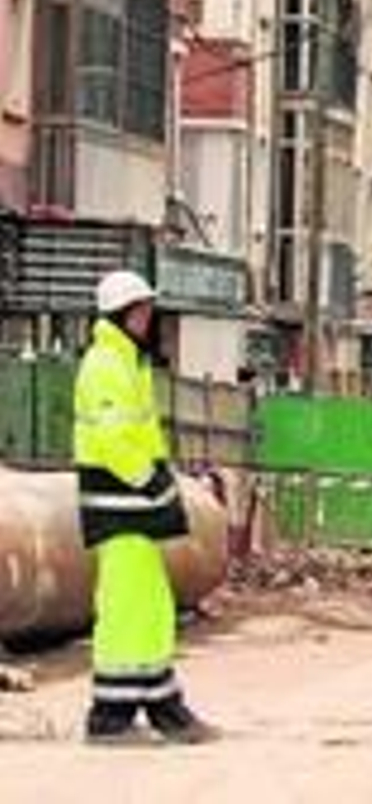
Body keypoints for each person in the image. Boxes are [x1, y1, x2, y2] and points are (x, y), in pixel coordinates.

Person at [74, 269, 218, 745]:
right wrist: (153, 483)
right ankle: (118, 715)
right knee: (128, 609)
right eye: (142, 310)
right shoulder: (105, 364)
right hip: (121, 504)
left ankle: (157, 703)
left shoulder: (124, 361)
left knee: (147, 606)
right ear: (123, 314)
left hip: (130, 507)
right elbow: (114, 439)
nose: (149, 319)